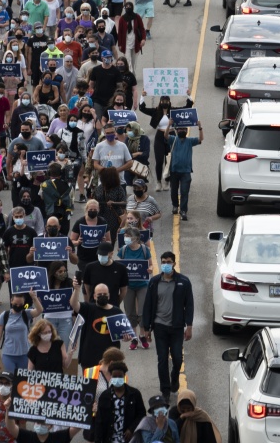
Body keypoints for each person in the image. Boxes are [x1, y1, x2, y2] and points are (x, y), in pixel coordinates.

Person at [141, 251, 193, 401]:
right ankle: (165, 390)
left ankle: (174, 376)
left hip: (176, 327)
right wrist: (147, 328)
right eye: (163, 262)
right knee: (162, 359)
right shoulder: (154, 282)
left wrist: (189, 326)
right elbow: (148, 305)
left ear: (174, 264)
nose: (165, 265)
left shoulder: (184, 281)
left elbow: (189, 305)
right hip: (159, 327)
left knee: (177, 358)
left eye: (168, 262)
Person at [91, 361, 145, 443]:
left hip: (130, 439)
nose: (117, 379)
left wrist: (131, 429)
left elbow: (141, 414)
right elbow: (99, 421)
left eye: (120, 376)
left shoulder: (134, 394)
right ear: (111, 377)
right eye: (114, 376)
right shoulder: (105, 396)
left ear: (124, 376)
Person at [164, 122, 202, 220]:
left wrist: (200, 127)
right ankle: (175, 206)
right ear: (176, 131)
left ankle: (183, 211)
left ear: (186, 130)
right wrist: (169, 125)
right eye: (180, 129)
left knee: (184, 192)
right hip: (174, 171)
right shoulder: (173, 139)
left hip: (186, 171)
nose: (182, 131)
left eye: (184, 129)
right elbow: (165, 135)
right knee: (173, 191)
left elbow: (200, 139)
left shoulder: (190, 141)